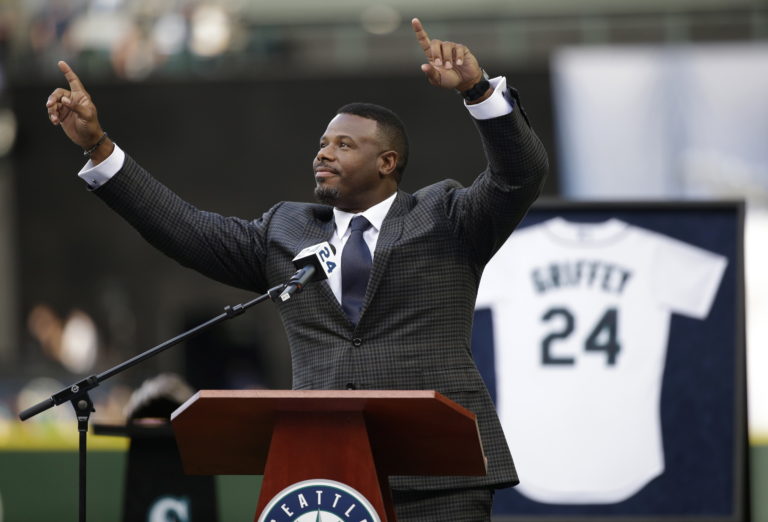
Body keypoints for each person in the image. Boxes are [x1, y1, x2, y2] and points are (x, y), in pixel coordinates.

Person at [46, 18, 548, 522]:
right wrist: (98, 148)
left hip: (438, 478)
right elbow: (186, 230)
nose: (323, 153)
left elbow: (519, 175)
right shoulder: (285, 231)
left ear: (387, 162)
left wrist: (478, 91)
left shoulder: (446, 217)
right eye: (322, 144)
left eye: (344, 145)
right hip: (323, 473)